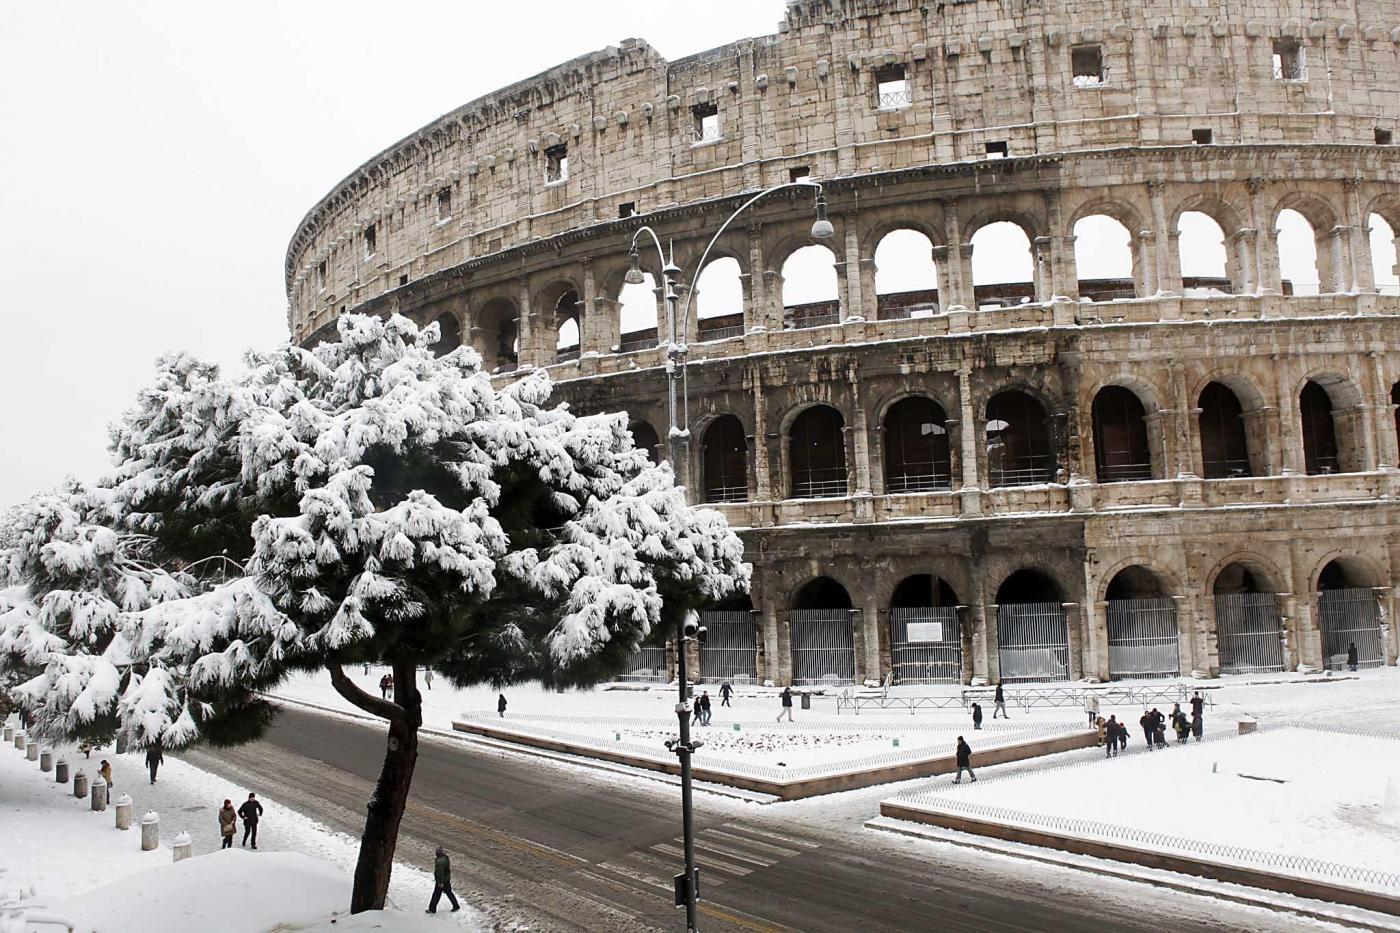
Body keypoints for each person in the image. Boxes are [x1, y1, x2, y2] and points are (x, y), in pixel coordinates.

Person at [427, 846, 461, 914]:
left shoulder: (440, 861)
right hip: (446, 879)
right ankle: (456, 905)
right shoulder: (445, 858)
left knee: (436, 894)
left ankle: (432, 909)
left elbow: (440, 873)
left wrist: (440, 882)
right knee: (449, 892)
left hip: (442, 881)